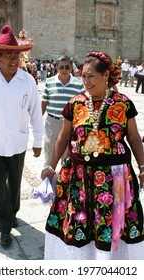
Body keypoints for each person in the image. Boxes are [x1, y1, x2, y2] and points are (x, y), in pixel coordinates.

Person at [41, 51, 144, 260]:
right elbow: (62, 138)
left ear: (106, 75)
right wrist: (51, 166)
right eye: (83, 75)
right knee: (79, 222)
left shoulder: (122, 104)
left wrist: (143, 168)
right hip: (78, 176)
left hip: (114, 179)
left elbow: (134, 139)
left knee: (110, 224)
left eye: (90, 76)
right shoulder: (76, 103)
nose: (85, 81)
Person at [0, 25, 44, 248]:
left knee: (14, 185)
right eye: (8, 55)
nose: (14, 59)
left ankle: (11, 212)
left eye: (16, 55)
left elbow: (35, 112)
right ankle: (4, 229)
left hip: (17, 143)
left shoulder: (28, 81)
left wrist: (37, 142)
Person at [41, 55, 85, 167]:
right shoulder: (49, 82)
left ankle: (64, 181)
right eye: (61, 67)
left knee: (67, 154)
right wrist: (37, 121)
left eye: (67, 67)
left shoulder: (79, 84)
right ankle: (48, 180)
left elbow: (82, 105)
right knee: (50, 150)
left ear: (71, 68)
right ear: (56, 68)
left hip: (70, 124)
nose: (64, 70)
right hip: (52, 122)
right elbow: (44, 103)